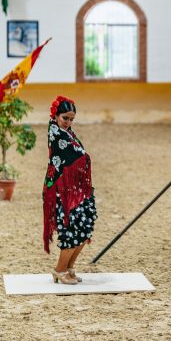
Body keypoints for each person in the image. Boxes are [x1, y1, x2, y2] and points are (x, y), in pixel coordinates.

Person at [42, 96, 98, 285]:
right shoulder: (56, 133)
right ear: (55, 115)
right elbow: (76, 155)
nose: (68, 122)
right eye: (65, 118)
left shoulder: (68, 133)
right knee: (72, 229)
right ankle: (59, 270)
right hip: (63, 191)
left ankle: (69, 268)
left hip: (76, 189)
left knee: (85, 227)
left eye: (71, 119)